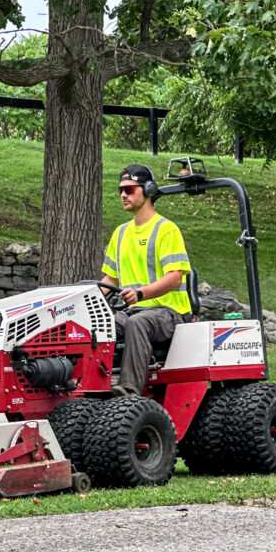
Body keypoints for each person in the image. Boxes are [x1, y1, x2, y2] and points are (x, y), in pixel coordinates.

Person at [101, 164, 192, 396]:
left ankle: (129, 390)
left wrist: (141, 294)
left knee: (138, 323)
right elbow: (109, 278)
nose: (123, 194)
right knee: (97, 327)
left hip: (169, 313)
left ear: (148, 190)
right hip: (133, 311)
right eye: (121, 190)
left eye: (130, 189)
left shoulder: (166, 230)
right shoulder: (120, 233)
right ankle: (91, 388)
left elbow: (174, 278)